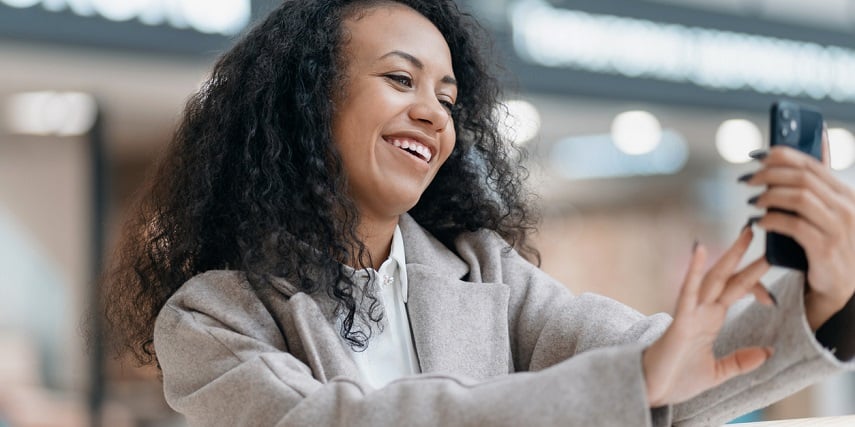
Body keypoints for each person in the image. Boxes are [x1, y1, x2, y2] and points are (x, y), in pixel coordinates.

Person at [104, 0, 855, 425]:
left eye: (448, 97)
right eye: (401, 79)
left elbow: (666, 359)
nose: (432, 114)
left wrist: (827, 299)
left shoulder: (487, 274)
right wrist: (627, 380)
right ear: (303, 104)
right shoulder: (210, 319)